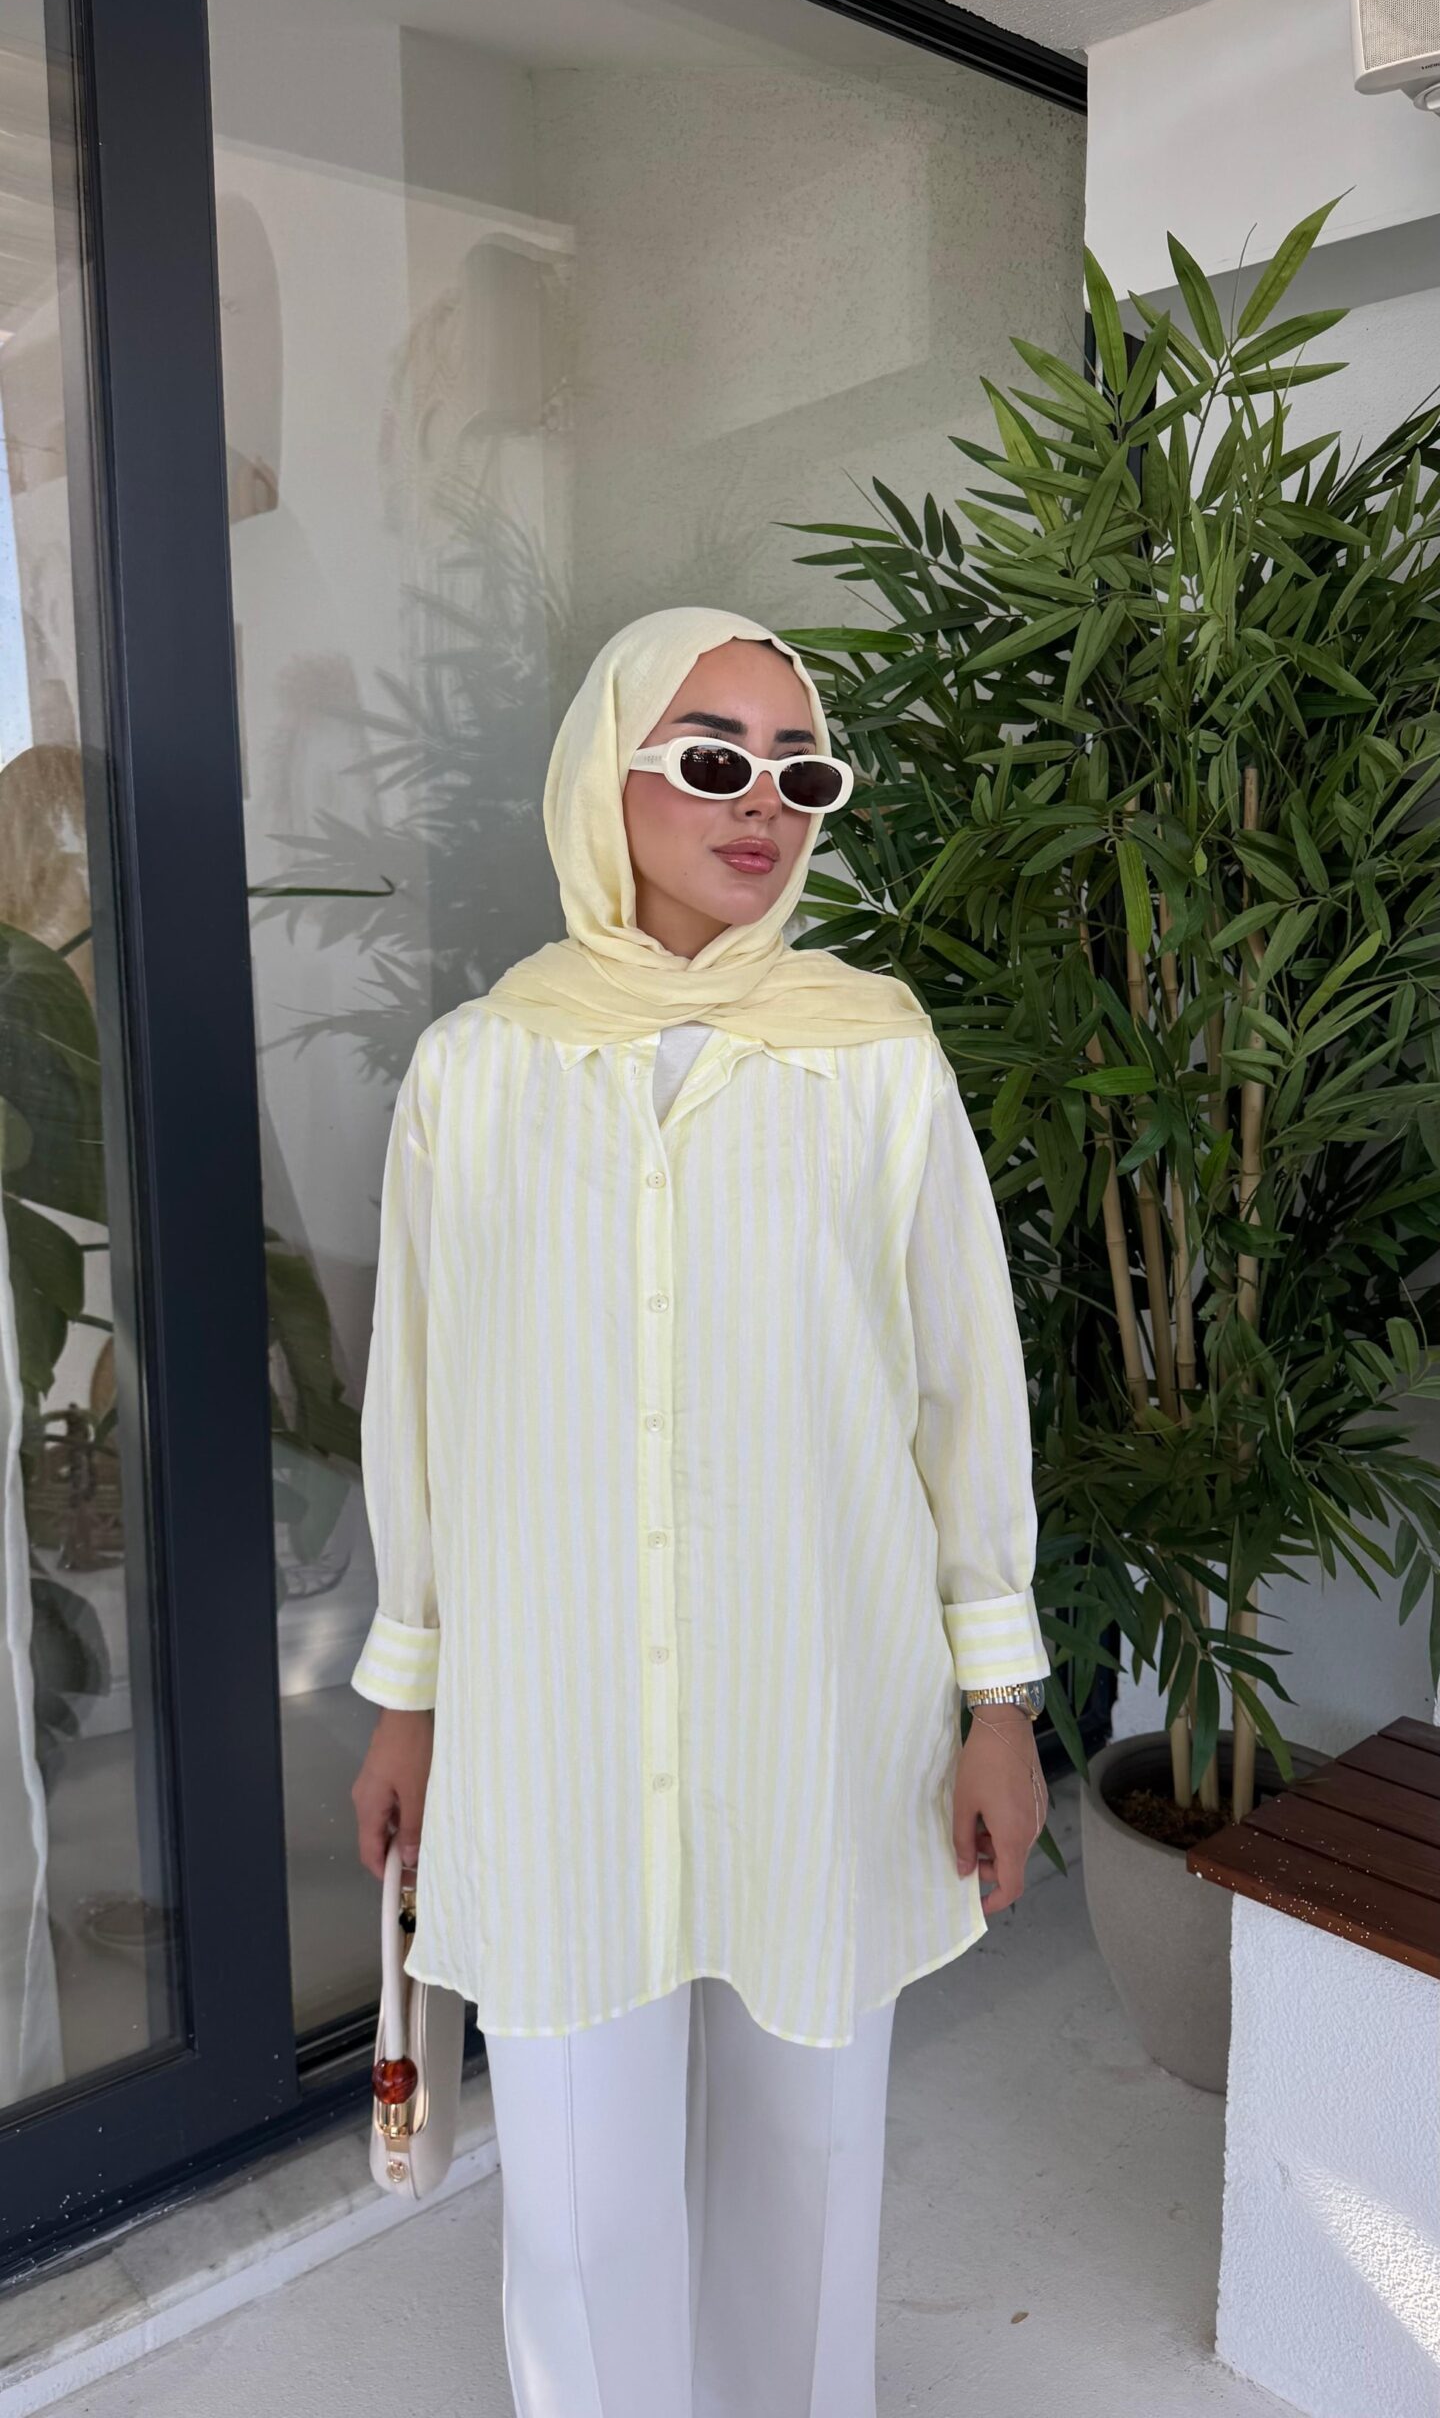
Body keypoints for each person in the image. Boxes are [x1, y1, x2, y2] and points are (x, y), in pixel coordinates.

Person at [349, 603, 1051, 2418]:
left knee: (807, 2173)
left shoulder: (872, 1058)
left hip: (820, 1717)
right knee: (581, 2218)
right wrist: (408, 1698)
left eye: (800, 775)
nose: (763, 806)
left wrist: (997, 1705)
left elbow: (963, 1392)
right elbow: (418, 1409)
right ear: (610, 773)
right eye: (716, 759)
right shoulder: (477, 1072)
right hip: (554, 1742)